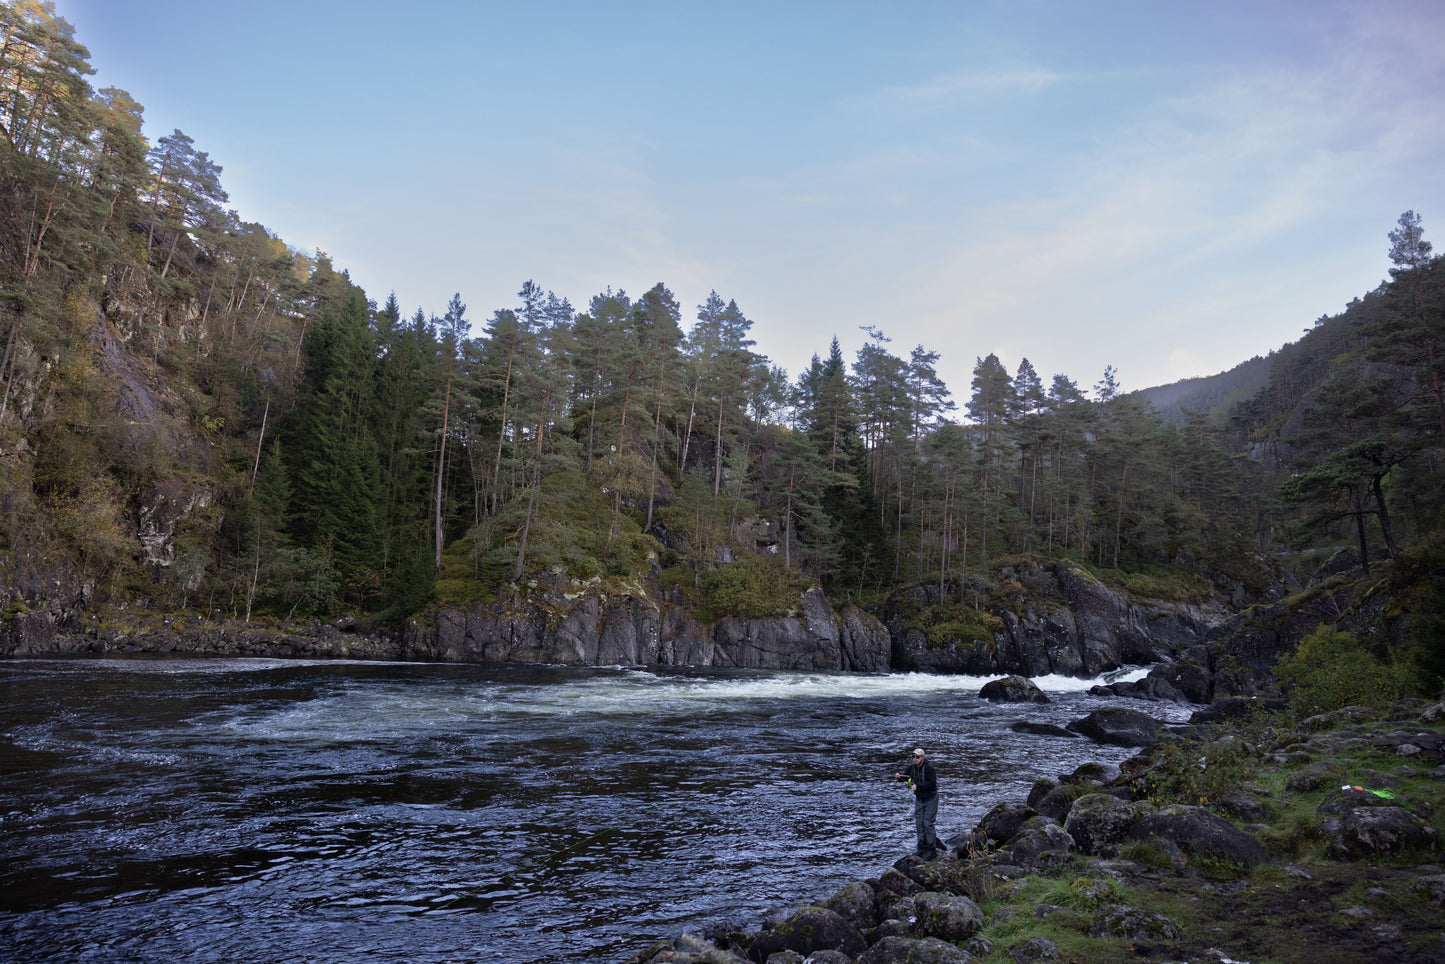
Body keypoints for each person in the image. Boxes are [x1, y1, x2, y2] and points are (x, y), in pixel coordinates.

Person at [894, 747, 941, 858]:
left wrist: (918, 786)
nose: (915, 759)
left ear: (923, 758)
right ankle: (921, 848)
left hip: (931, 799)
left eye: (917, 757)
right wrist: (898, 777)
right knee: (919, 823)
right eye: (913, 757)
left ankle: (931, 850)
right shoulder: (912, 768)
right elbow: (904, 779)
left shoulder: (929, 769)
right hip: (919, 799)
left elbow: (932, 783)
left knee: (927, 823)